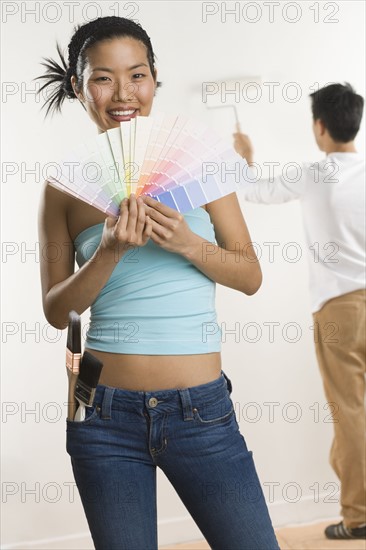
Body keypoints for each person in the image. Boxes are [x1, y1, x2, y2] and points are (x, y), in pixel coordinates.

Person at [37, 16, 280, 550]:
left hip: (202, 409)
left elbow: (251, 276)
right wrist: (109, 252)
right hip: (97, 409)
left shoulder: (202, 163)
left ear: (154, 79)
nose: (123, 94)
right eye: (103, 78)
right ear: (80, 87)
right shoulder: (63, 189)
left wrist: (189, 244)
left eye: (138, 74)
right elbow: (59, 312)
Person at [234, 82, 365, 540]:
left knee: (351, 413)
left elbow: (252, 191)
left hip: (340, 310)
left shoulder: (316, 175)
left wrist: (243, 154)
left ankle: (359, 516)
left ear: (320, 126)